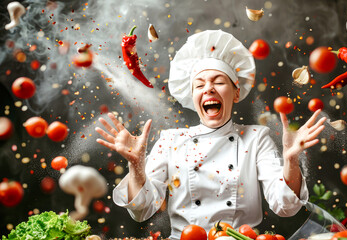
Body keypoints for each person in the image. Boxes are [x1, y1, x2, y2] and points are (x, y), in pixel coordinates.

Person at [95, 30, 326, 240]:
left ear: (236, 93)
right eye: (199, 85)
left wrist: (291, 160)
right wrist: (136, 165)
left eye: (218, 81)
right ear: (192, 97)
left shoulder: (256, 137)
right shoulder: (170, 140)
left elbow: (285, 206)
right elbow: (143, 210)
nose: (208, 89)